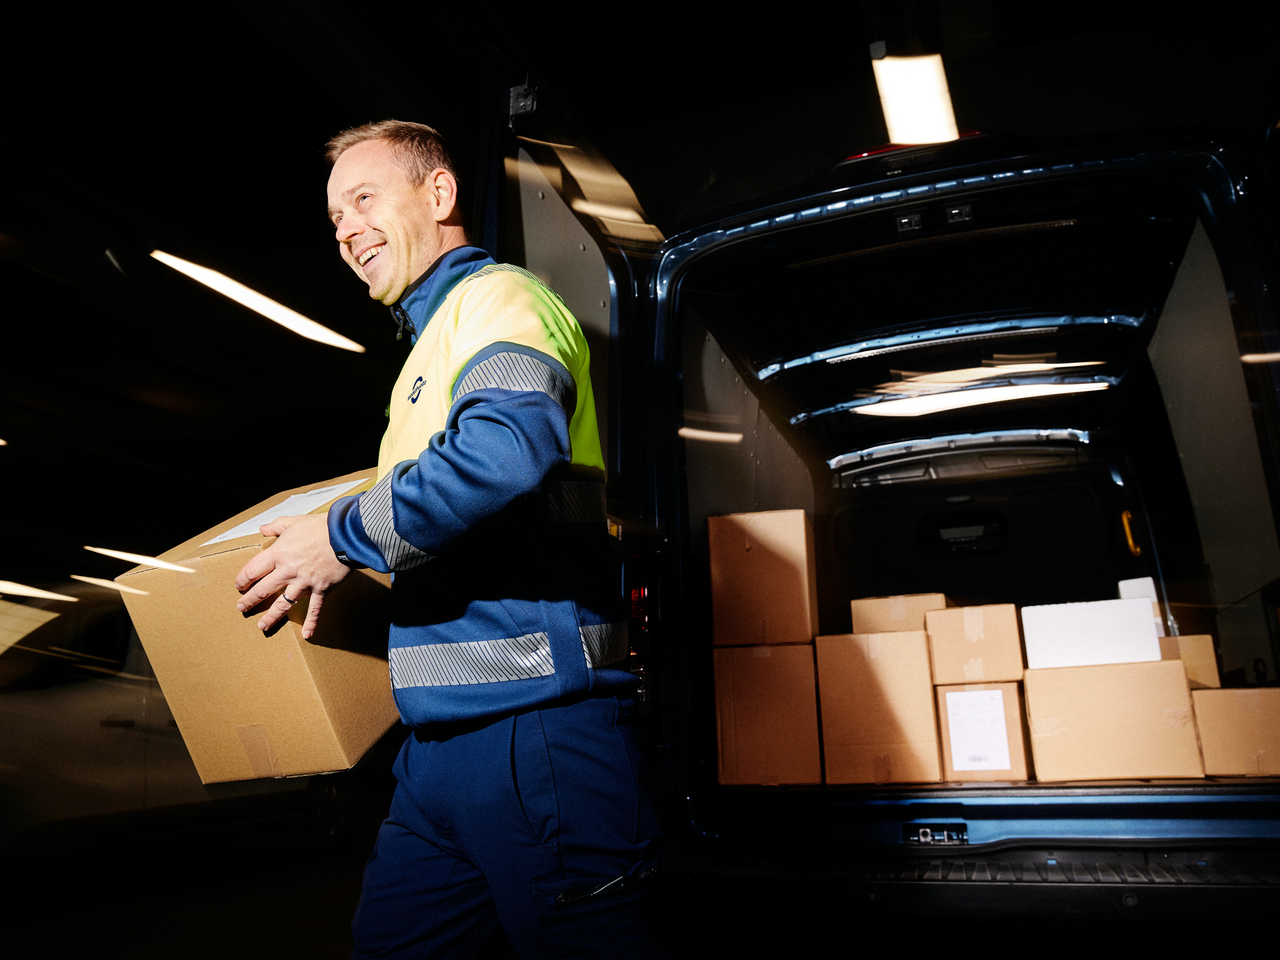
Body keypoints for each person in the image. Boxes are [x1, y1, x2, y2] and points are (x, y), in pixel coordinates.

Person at [233, 120, 667, 959]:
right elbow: (443, 536)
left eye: (364, 199)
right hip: (437, 754)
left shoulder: (500, 300)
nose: (347, 230)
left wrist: (341, 536)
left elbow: (505, 450)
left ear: (439, 195)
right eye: (333, 219)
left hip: (537, 738)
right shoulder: (426, 354)